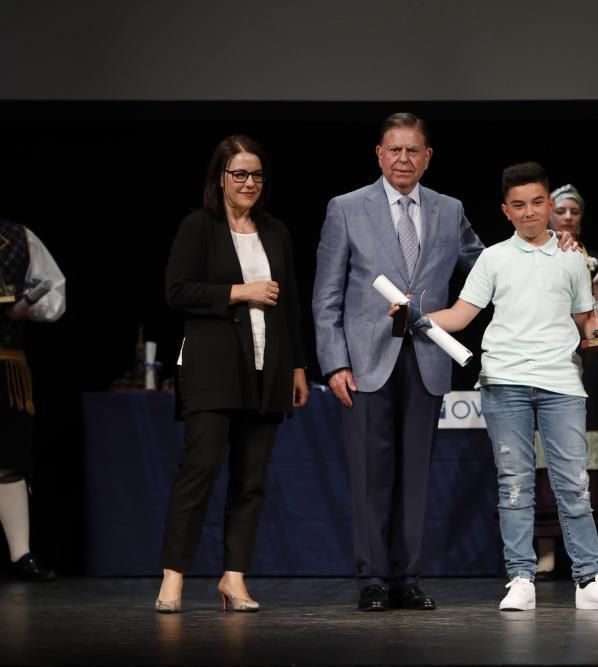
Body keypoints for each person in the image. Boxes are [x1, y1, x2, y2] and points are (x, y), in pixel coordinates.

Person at [408, 162, 598, 611]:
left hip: (561, 382)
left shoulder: (573, 257)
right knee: (514, 482)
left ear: (549, 205)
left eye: (537, 203)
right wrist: (414, 316)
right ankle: (520, 578)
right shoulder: (493, 258)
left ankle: (590, 579)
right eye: (519, 205)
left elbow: (587, 322)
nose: (529, 213)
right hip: (505, 381)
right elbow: (460, 315)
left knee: (574, 482)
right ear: (505, 210)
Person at [312, 113, 484, 612]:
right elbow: (326, 295)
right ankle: (371, 579)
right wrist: (333, 362)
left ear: (428, 157)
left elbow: (485, 268)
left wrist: (540, 251)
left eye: (413, 151)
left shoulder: (450, 210)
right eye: (394, 150)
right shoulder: (346, 208)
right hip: (367, 361)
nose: (403, 159)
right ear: (379, 155)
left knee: (415, 475)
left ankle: (407, 577)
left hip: (428, 356)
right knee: (371, 475)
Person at [156, 135, 309, 613]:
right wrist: (239, 292)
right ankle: (173, 577)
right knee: (198, 471)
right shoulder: (197, 227)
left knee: (252, 478)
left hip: (269, 369)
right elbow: (177, 291)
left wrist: (299, 365)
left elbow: (291, 306)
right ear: (220, 177)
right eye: (239, 174)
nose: (249, 183)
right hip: (213, 370)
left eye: (256, 174)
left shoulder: (276, 231)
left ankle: (234, 578)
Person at [531, 184, 598, 580]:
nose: (569, 217)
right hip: (554, 361)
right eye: (561, 210)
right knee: (551, 456)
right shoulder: (536, 258)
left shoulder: (596, 263)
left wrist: (597, 290)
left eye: (575, 211)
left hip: (596, 366)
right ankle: (547, 550)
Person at [0, 218, 65, 581]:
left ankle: (20, 554)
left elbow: (55, 290)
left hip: (5, 366)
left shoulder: (17, 237)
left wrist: (30, 307)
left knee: (8, 459)